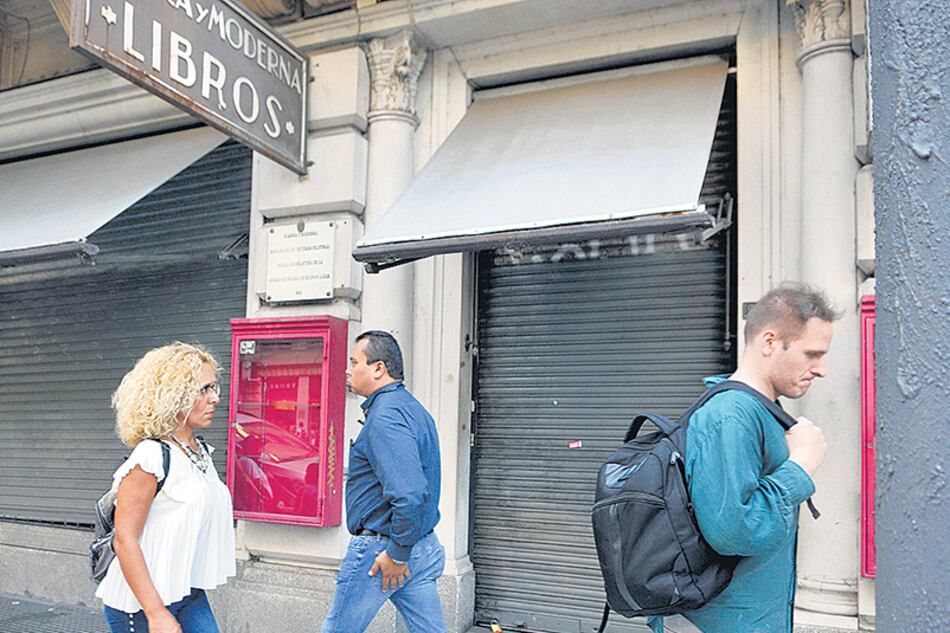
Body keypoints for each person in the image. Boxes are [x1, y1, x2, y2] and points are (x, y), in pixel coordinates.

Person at [674, 284, 839, 633]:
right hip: (724, 622)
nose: (821, 369)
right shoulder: (731, 415)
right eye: (812, 354)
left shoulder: (759, 410)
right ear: (769, 342)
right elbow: (732, 532)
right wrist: (799, 467)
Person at [96, 342, 235, 633]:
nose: (215, 399)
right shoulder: (151, 456)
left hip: (187, 592)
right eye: (204, 390)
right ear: (174, 396)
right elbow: (125, 539)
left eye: (214, 388)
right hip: (141, 604)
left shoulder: (200, 453)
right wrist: (157, 613)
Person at [320, 330, 446, 633]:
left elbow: (411, 494)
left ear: (379, 368)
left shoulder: (386, 417)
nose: (348, 370)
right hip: (417, 543)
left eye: (355, 362)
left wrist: (397, 554)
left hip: (383, 551)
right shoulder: (412, 409)